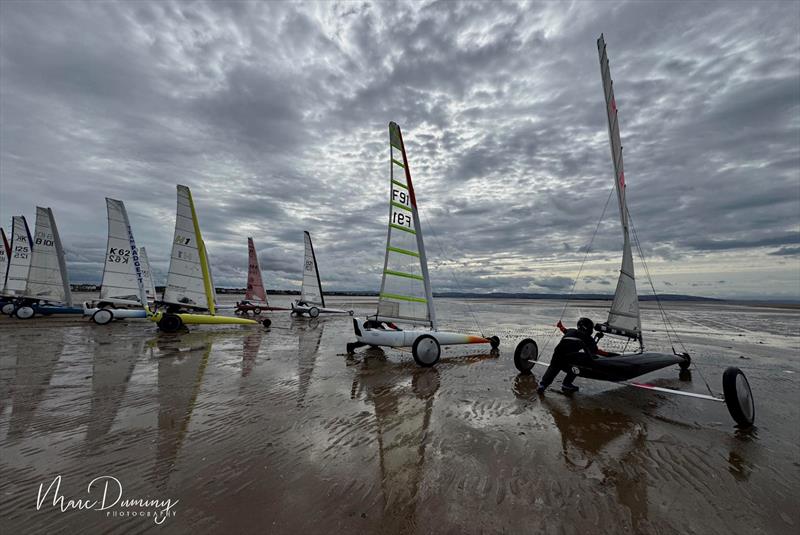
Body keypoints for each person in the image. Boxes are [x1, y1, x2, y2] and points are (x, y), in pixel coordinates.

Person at [537, 317, 614, 394]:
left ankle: (543, 385)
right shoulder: (588, 338)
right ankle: (566, 384)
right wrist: (610, 355)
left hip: (557, 354)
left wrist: (560, 326)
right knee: (578, 364)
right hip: (569, 359)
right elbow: (595, 351)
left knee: (552, 369)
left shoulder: (571, 330)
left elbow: (564, 330)